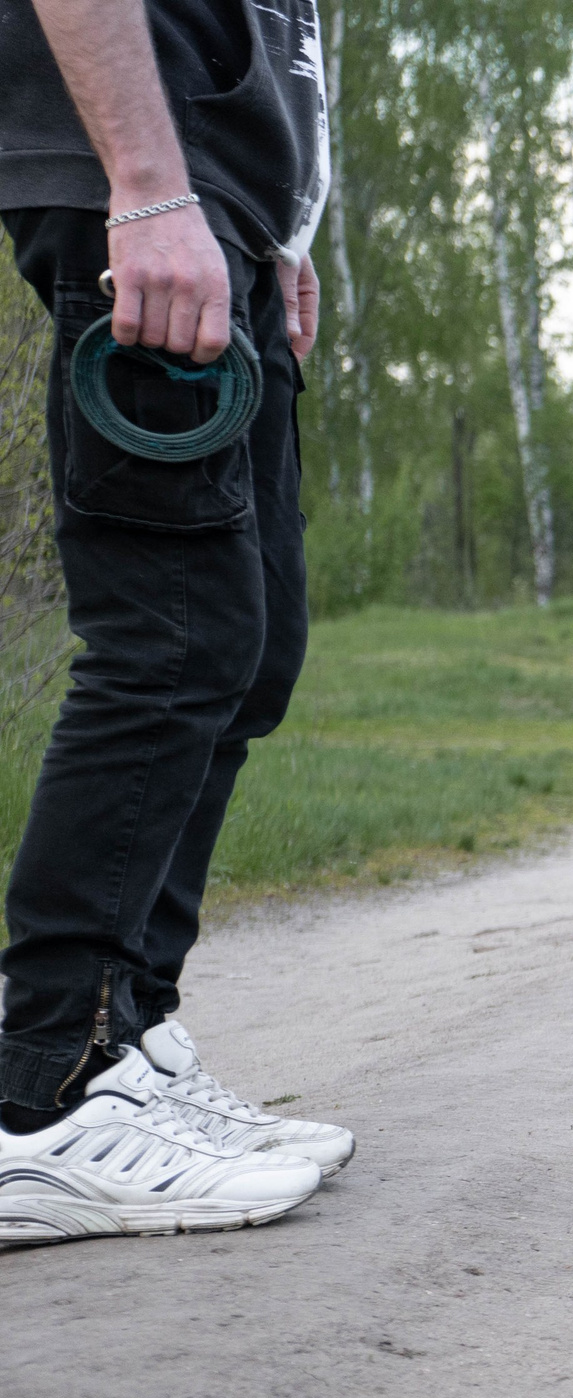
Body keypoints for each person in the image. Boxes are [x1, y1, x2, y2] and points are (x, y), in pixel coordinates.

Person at [0, 0, 355, 1244]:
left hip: (227, 212)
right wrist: (148, 187)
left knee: (250, 652)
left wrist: (288, 231)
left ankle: (131, 1038)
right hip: (146, 188)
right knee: (171, 637)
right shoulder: (143, 187)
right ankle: (44, 1091)